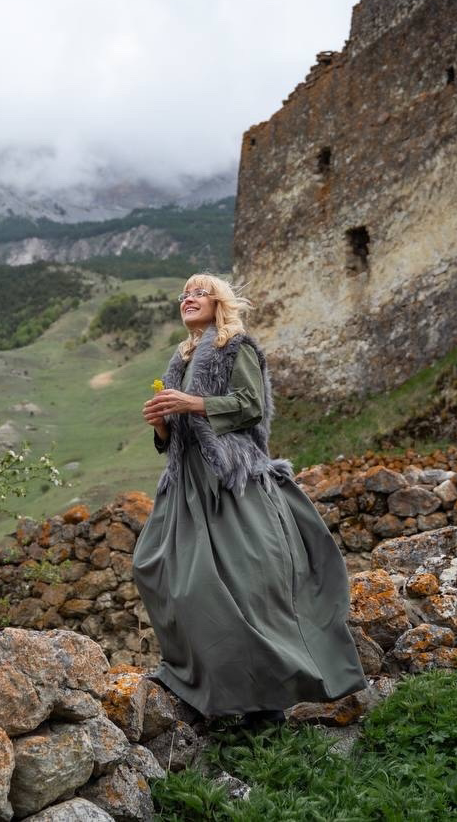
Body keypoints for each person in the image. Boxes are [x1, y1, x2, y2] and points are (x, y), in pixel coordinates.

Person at [132, 273, 367, 725]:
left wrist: (192, 404)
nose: (188, 298)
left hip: (231, 478)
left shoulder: (237, 346)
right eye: (184, 294)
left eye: (199, 292)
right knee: (157, 571)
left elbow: (250, 404)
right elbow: (175, 434)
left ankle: (265, 705)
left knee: (247, 586)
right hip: (187, 484)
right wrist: (161, 424)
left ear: (219, 301)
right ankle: (202, 683)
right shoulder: (179, 357)